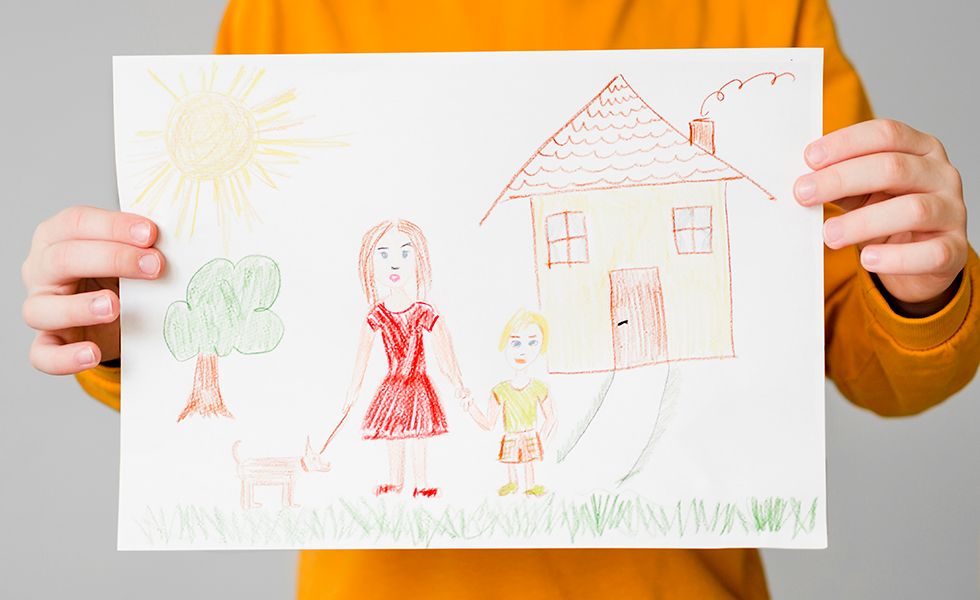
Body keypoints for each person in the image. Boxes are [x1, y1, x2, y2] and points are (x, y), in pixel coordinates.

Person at [20, 0, 979, 598]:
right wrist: (130, 329)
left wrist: (922, 286)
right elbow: (277, 321)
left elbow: (876, 366)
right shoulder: (284, 9)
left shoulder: (761, 10)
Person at [344, 219, 470, 498]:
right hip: (392, 385)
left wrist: (457, 381)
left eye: (404, 253)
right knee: (393, 433)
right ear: (370, 263)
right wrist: (352, 392)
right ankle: (395, 481)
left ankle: (422, 483)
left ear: (418, 260)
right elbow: (361, 358)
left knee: (419, 433)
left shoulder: (424, 311)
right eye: (384, 254)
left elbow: (444, 352)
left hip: (417, 383)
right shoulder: (376, 315)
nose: (394, 264)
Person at [465, 309, 557, 497]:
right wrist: (471, 408)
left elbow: (551, 418)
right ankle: (512, 484)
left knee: (528, 462)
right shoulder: (500, 390)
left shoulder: (539, 387)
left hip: (530, 433)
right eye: (515, 343)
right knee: (511, 460)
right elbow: (489, 423)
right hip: (511, 434)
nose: (523, 350)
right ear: (504, 345)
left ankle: (530, 486)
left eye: (532, 343)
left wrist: (542, 439)